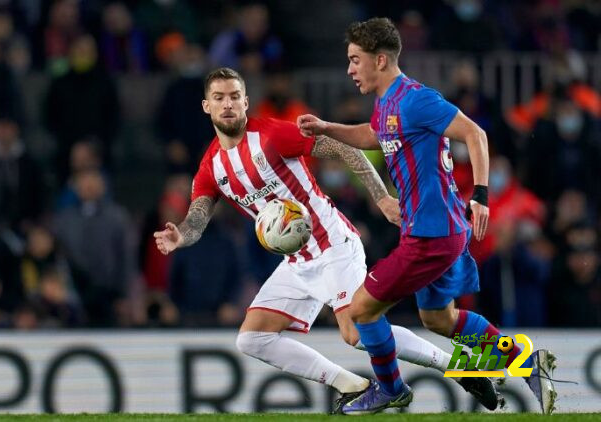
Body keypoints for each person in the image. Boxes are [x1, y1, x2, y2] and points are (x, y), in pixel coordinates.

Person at [154, 67, 497, 412]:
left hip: (333, 244)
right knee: (251, 338)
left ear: (245, 102)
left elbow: (344, 149)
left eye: (233, 97)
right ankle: (351, 384)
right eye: (218, 98)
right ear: (206, 106)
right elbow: (198, 216)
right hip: (297, 261)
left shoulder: (272, 135)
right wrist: (180, 235)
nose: (227, 104)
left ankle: (457, 365)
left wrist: (381, 199)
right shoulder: (211, 166)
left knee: (357, 332)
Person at [297, 17, 557, 415]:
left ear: (380, 60)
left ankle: (390, 389)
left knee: (361, 310)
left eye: (355, 60)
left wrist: (482, 195)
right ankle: (525, 362)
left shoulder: (417, 98)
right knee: (439, 318)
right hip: (439, 231)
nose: (349, 69)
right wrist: (328, 128)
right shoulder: (388, 102)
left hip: (431, 234)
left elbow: (476, 134)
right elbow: (375, 134)